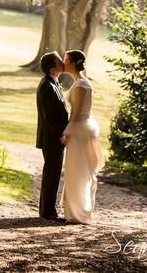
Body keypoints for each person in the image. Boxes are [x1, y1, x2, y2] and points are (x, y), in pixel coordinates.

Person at [60, 50, 104, 224]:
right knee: (76, 171)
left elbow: (77, 114)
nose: (63, 63)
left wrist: (67, 132)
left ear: (72, 63)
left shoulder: (81, 85)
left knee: (77, 172)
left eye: (65, 60)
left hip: (79, 132)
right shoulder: (78, 82)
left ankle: (79, 213)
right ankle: (74, 212)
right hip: (80, 130)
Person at [36, 51, 69, 222]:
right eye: (59, 61)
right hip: (52, 137)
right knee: (52, 173)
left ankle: (46, 209)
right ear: (52, 68)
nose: (63, 62)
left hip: (53, 137)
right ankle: (48, 211)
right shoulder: (47, 86)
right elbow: (49, 117)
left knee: (52, 172)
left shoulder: (52, 83)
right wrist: (62, 135)